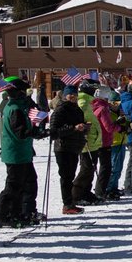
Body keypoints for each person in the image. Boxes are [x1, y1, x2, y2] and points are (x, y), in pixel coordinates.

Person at [0, 76, 45, 226]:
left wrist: (38, 126)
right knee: (13, 186)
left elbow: (36, 118)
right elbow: (21, 132)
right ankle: (2, 215)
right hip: (16, 153)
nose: (26, 94)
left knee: (28, 183)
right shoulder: (14, 108)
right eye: (24, 91)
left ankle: (20, 211)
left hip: (22, 153)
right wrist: (37, 133)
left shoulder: (20, 106)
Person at [50, 85, 90, 214]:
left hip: (74, 146)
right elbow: (54, 131)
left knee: (70, 175)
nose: (72, 96)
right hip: (63, 147)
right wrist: (73, 128)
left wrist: (84, 127)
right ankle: (67, 204)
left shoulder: (77, 109)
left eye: (74, 94)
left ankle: (70, 202)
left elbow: (80, 124)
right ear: (64, 95)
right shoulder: (60, 109)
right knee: (66, 176)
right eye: (69, 94)